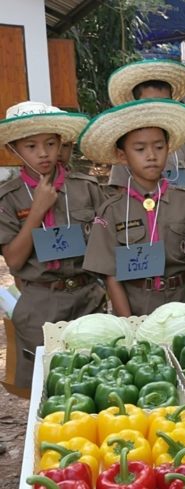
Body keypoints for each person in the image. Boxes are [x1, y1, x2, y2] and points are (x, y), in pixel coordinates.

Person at [0, 101, 107, 388]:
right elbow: (14, 260)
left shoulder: (86, 187)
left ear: (61, 143)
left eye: (50, 143)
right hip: (40, 303)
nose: (43, 153)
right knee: (49, 385)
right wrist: (36, 212)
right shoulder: (8, 198)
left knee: (97, 378)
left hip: (89, 297)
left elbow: (107, 246)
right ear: (14, 149)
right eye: (31, 146)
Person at [80, 98, 185, 316]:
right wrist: (128, 321)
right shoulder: (112, 210)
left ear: (169, 149)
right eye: (139, 149)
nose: (151, 156)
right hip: (136, 304)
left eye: (159, 147)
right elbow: (111, 275)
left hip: (181, 300)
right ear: (122, 155)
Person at [107, 59, 185, 189]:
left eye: (164, 103)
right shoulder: (127, 151)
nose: (157, 109)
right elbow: (120, 196)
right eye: (149, 103)